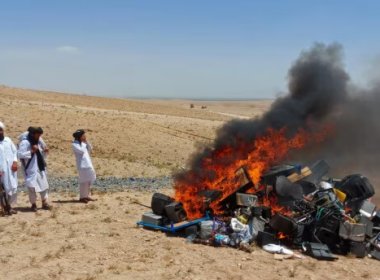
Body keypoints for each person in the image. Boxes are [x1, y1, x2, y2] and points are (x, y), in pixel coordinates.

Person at [18, 127, 51, 211]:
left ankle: (45, 202)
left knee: (44, 185)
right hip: (30, 168)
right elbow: (20, 154)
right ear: (33, 134)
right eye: (38, 134)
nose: (39, 136)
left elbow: (40, 153)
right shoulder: (25, 142)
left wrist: (45, 151)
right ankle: (33, 204)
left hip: (39, 167)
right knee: (32, 187)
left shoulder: (39, 141)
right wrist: (31, 151)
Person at [72, 129, 96, 203]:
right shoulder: (74, 144)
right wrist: (84, 143)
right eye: (83, 135)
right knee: (83, 181)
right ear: (79, 136)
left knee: (89, 180)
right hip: (82, 165)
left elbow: (90, 148)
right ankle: (82, 197)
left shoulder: (83, 143)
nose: (85, 136)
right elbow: (81, 151)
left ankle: (87, 196)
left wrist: (86, 142)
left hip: (88, 164)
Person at [0, 121, 18, 215]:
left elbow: (15, 152)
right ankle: (4, 208)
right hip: (1, 171)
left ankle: (9, 207)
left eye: (1, 130)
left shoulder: (8, 140)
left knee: (12, 187)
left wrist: (15, 162)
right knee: (3, 190)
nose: (0, 132)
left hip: (11, 169)